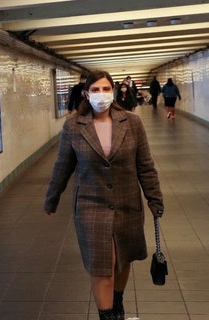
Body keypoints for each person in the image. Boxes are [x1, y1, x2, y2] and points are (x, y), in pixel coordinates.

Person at [44, 70, 164, 320]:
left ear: (114, 91)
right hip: (90, 205)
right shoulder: (74, 126)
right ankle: (107, 315)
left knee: (122, 258)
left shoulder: (132, 122)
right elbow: (62, 165)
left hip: (127, 202)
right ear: (86, 94)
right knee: (103, 264)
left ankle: (117, 304)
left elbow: (145, 164)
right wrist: (51, 198)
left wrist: (154, 198)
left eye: (106, 89)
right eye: (95, 90)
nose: (101, 95)